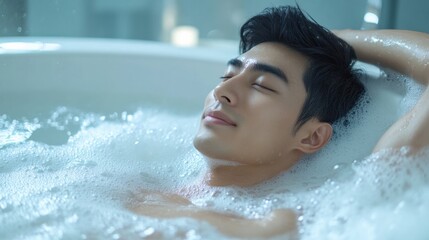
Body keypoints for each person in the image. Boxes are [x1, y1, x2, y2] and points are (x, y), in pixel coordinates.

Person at [130, 5, 429, 238]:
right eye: (228, 75)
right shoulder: (133, 179)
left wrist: (337, 38)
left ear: (312, 137)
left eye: (261, 85)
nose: (223, 91)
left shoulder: (295, 224)